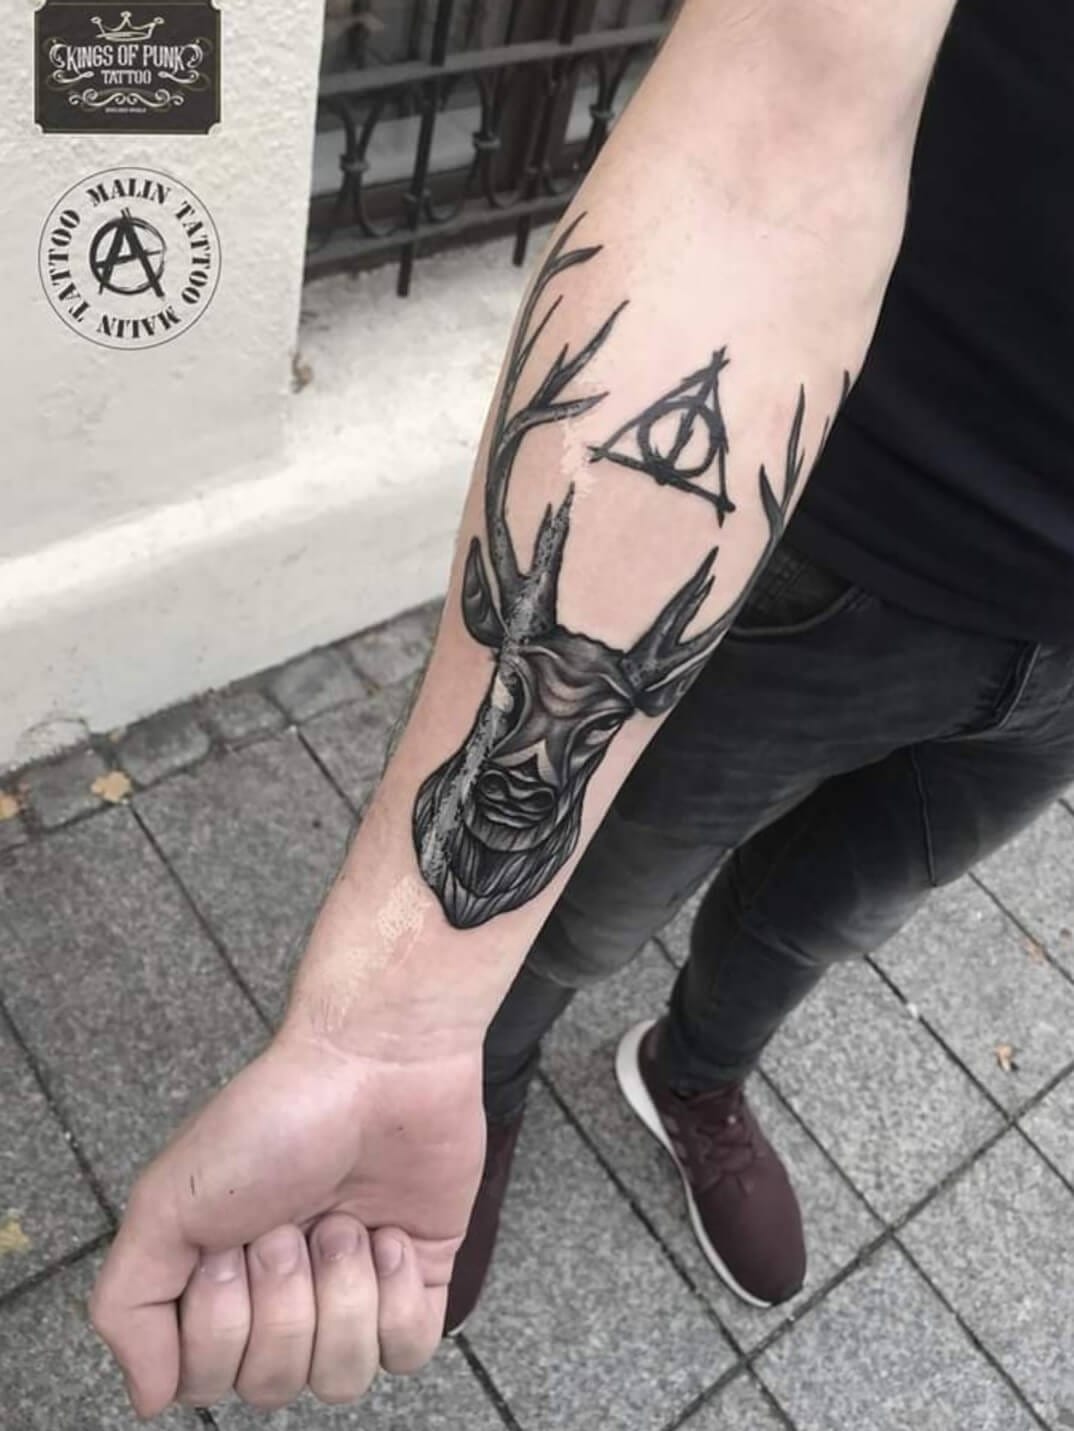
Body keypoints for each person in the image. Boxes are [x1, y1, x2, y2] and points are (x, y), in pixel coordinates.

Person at [89, 0, 1074, 1414]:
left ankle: (694, 1076)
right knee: (582, 912)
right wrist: (389, 1023)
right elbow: (761, 147)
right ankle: (466, 1086)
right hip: (832, 558)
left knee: (836, 908)